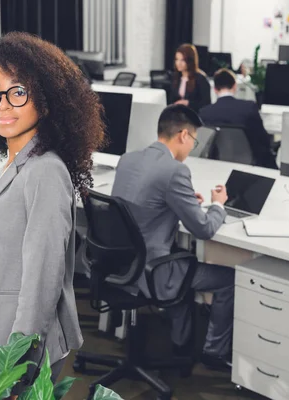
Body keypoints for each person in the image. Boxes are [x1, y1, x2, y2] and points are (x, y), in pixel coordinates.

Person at [0, 32, 105, 384]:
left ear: (45, 97)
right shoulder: (17, 162)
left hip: (17, 347)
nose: (3, 104)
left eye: (18, 91)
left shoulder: (45, 171)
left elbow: (43, 279)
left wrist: (19, 362)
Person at [111, 105, 234, 371]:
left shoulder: (128, 159)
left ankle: (181, 347)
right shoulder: (175, 171)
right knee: (230, 280)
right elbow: (204, 229)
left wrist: (184, 201)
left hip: (118, 264)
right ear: (183, 136)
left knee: (183, 270)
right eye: (194, 140)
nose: (192, 148)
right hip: (152, 270)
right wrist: (218, 205)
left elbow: (143, 205)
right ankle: (214, 352)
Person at [199, 69, 277, 169]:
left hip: (217, 164)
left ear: (214, 89)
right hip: (250, 164)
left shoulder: (205, 112)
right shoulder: (249, 107)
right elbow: (263, 139)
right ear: (235, 86)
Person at [170, 44, 211, 113]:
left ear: (190, 61)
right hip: (178, 116)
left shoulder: (200, 79)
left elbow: (206, 104)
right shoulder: (175, 77)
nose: (178, 63)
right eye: (177, 59)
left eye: (182, 60)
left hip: (194, 116)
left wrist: (188, 103)